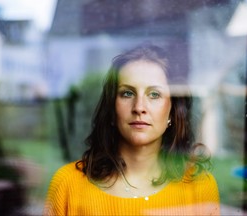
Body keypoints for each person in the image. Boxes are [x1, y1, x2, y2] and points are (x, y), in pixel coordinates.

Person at [44, 44, 220, 215]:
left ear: (172, 112)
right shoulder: (67, 185)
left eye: (154, 94)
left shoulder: (200, 187)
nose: (139, 107)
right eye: (127, 93)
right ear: (112, 108)